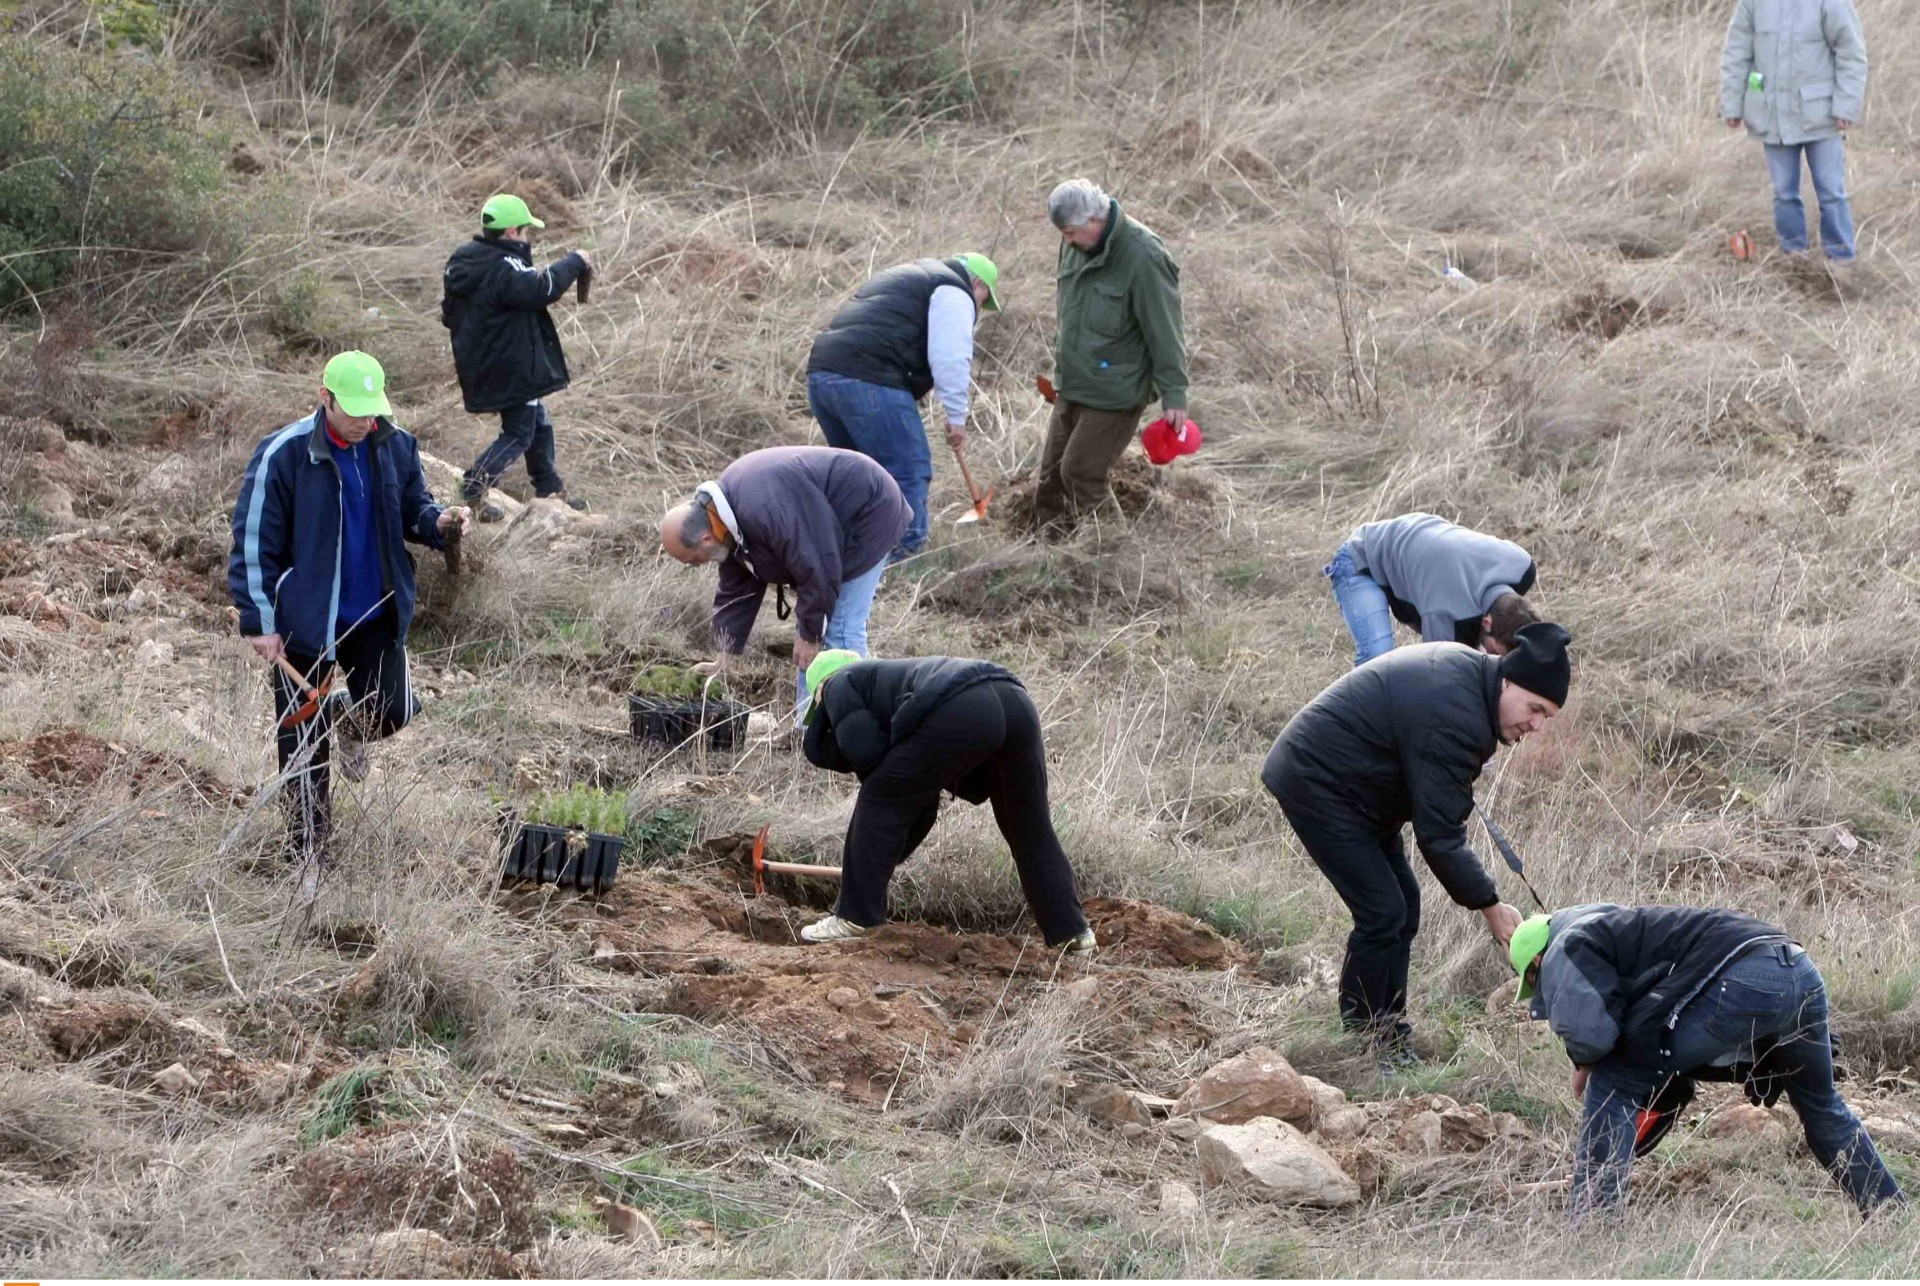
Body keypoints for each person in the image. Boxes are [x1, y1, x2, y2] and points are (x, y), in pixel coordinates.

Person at [1260, 622, 1573, 1069]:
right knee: (1383, 911)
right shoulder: (1457, 713)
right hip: (1318, 781)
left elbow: (1439, 806)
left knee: (1403, 903)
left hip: (1361, 793)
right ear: (1508, 681)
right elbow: (1439, 835)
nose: (1537, 725)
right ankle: (1370, 1041)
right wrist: (1491, 907)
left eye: (1548, 717)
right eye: (1535, 707)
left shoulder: (1472, 687)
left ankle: (1386, 1029)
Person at [227, 351, 469, 890]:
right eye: (354, 411)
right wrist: (259, 619)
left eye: (372, 410)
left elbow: (414, 509)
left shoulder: (395, 444)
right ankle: (308, 856)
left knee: (396, 708)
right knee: (303, 745)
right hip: (307, 622)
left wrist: (440, 524)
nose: (365, 422)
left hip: (376, 610)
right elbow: (252, 543)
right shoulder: (285, 454)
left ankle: (349, 722)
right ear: (325, 398)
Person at [1511, 905, 1907, 1223]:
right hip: (1799, 971)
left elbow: (1594, 1036)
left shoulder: (1567, 944)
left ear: (1537, 961)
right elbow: (1661, 1029)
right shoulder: (1626, 930)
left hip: (1743, 978)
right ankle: (1891, 1215)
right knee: (1822, 1107)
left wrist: (1583, 1062)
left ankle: (1592, 1223)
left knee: (1615, 1081)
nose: (1541, 988)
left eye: (1535, 980)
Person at [795, 649, 1096, 952]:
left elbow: (865, 752)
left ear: (819, 691)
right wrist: (878, 858)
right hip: (1015, 701)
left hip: (964, 706)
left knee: (878, 796)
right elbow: (918, 803)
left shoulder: (837, 683)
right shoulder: (888, 680)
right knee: (1029, 829)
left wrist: (870, 851)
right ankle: (1071, 932)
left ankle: (854, 918)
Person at [657, 446, 909, 714]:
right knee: (810, 639)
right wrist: (724, 656)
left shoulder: (764, 508)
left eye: (692, 559)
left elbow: (818, 561)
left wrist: (811, 632)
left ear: (705, 539)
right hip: (825, 535)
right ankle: (807, 728)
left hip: (866, 513)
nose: (696, 565)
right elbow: (737, 588)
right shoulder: (723, 518)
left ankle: (852, 728)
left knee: (840, 628)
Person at [806, 254, 1002, 560]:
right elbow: (951, 357)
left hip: (822, 377)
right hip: (867, 379)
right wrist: (956, 416)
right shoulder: (954, 291)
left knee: (861, 474)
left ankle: (845, 555)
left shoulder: (913, 275)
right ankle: (903, 558)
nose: (978, 309)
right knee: (908, 469)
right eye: (983, 300)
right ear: (977, 284)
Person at [1037, 178, 1188, 529]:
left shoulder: (1144, 256)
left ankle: (1112, 558)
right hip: (1073, 382)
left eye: (1071, 233)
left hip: (1116, 392)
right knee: (1050, 480)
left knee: (1081, 474)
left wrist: (1174, 392)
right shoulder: (1075, 244)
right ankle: (1049, 560)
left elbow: (1165, 330)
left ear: (1094, 221)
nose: (1066, 242)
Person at [441, 192, 595, 521]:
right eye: (526, 231)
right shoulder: (504, 265)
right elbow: (541, 289)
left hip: (485, 363)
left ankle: (549, 487)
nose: (527, 237)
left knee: (537, 421)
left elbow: (448, 314)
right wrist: (576, 261)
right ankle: (473, 487)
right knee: (519, 433)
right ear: (512, 232)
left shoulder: (464, 260)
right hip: (513, 367)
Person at [1720, 0, 1867, 262]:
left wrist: (1845, 106)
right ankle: (1794, 258)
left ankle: (1842, 259)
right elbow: (1737, 52)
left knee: (1831, 191)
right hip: (1773, 116)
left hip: (1821, 116)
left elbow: (1851, 53)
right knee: (1784, 192)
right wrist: (1733, 105)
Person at [1327, 512, 1539, 667]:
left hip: (1421, 542)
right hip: (1361, 559)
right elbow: (1437, 675)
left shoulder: (1521, 566)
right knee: (1377, 657)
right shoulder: (1444, 612)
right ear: (1487, 622)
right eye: (1496, 652)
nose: (1496, 658)